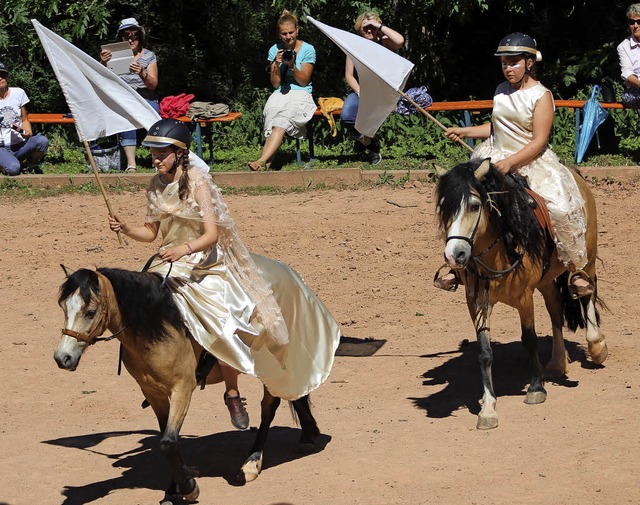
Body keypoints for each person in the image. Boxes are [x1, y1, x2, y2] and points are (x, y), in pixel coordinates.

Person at [438, 33, 594, 298]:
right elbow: (497, 129)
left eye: (513, 62)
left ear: (529, 63)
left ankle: (575, 269)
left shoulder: (542, 95)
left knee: (561, 207)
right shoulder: (501, 90)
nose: (507, 68)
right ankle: (455, 265)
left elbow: (538, 140)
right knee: (461, 200)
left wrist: (509, 163)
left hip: (529, 160)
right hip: (494, 157)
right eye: (504, 63)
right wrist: (465, 132)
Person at [248, 10, 316, 171]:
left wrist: (292, 66)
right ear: (279, 34)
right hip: (281, 92)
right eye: (284, 33)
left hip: (301, 92)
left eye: (291, 32)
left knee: (282, 121)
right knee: (272, 113)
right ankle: (266, 164)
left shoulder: (308, 49)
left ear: (297, 30)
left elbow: (304, 80)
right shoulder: (274, 50)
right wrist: (277, 65)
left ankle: (262, 161)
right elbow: (275, 83)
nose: (288, 37)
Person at [341, 11, 404, 165]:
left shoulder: (384, 43)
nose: (369, 30)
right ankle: (371, 144)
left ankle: (365, 144)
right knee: (347, 117)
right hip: (361, 91)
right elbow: (349, 75)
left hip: (382, 93)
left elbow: (400, 40)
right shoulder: (353, 47)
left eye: (372, 27)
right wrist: (360, 92)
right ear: (358, 30)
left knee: (372, 115)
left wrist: (378, 25)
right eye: (365, 28)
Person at [100, 18, 159, 172]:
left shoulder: (149, 56)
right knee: (126, 118)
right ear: (121, 38)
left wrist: (142, 73)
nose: (131, 39)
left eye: (135, 35)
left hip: (145, 97)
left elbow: (153, 85)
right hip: (124, 98)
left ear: (140, 36)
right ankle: (131, 163)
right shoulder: (113, 55)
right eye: (127, 35)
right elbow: (100, 79)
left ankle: (158, 159)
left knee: (154, 120)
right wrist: (103, 63)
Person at [0, 62, 49, 176]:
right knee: (13, 169)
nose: (0, 77)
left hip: (19, 145)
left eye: (2, 74)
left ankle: (31, 164)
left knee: (42, 141)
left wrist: (27, 132)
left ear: (7, 78)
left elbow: (24, 119)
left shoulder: (18, 93)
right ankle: (8, 163)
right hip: (1, 147)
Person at [617, 4, 640, 108]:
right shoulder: (623, 47)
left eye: (639, 22)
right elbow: (626, 73)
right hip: (636, 90)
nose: (635, 26)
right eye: (632, 22)